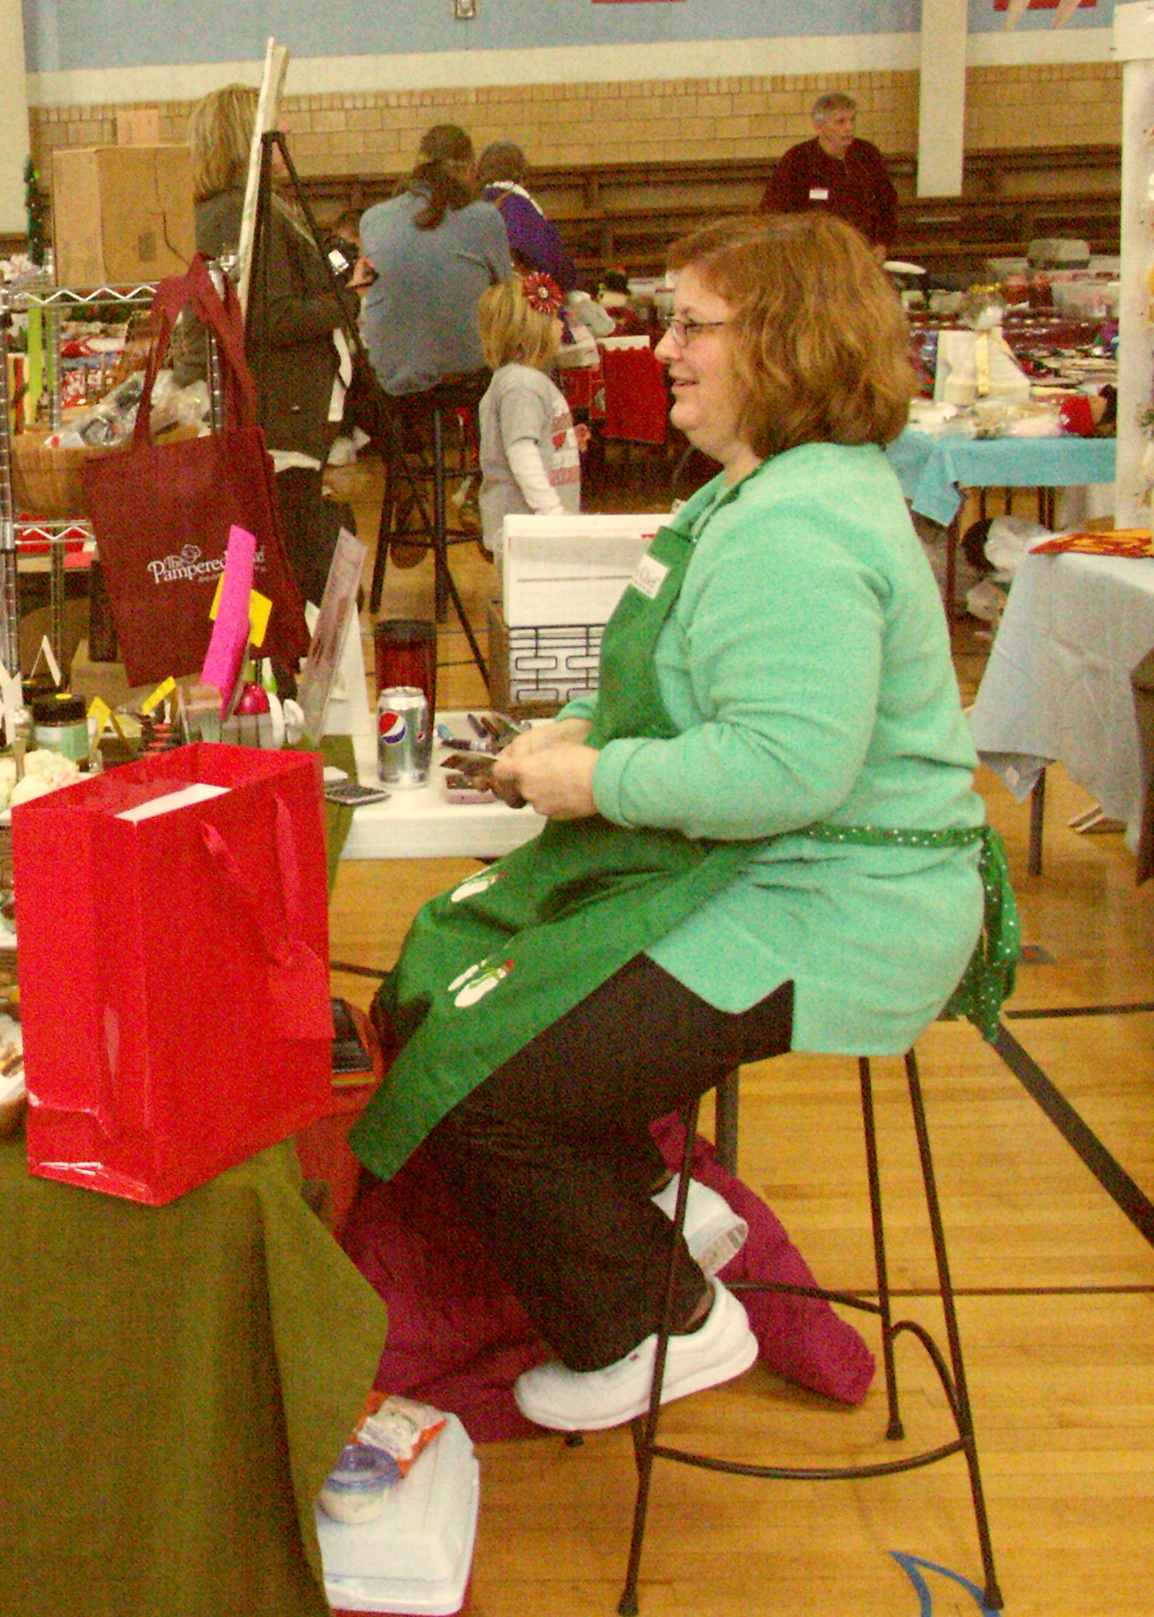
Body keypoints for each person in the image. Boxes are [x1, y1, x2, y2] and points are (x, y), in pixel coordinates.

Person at [350, 212, 1003, 1436]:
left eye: (696, 326)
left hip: (836, 908)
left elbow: (784, 768)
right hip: (773, 874)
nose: (665, 349)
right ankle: (657, 1204)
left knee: (490, 1085)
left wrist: (594, 781)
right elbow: (689, 688)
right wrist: (571, 734)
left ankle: (655, 1324)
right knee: (466, 975)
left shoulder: (796, 527)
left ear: (787, 347)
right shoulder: (759, 495)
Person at [187, 80, 352, 605]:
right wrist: (347, 302)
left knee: (266, 560)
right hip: (278, 413)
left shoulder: (243, 209)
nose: (287, 131)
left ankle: (265, 649)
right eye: (274, 122)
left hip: (276, 413)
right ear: (246, 137)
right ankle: (275, 652)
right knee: (285, 564)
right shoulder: (244, 214)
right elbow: (267, 318)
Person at [353, 123, 515, 401]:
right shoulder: (484, 218)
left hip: (390, 375)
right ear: (469, 171)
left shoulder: (372, 219)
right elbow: (506, 294)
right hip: (467, 372)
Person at [475, 273, 582, 556]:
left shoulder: (517, 381)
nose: (561, 325)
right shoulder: (523, 384)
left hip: (531, 532)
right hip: (531, 532)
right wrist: (552, 513)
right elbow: (521, 451)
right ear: (534, 328)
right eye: (555, 318)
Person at [757, 91, 898, 249]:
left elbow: (887, 204)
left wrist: (882, 244)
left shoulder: (867, 154)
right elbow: (775, 209)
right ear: (819, 127)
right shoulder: (798, 159)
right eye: (840, 122)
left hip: (862, 246)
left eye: (852, 120)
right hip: (815, 249)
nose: (849, 128)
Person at [476, 140, 577, 293]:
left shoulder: (469, 205)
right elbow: (558, 266)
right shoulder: (521, 207)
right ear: (521, 171)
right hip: (520, 298)